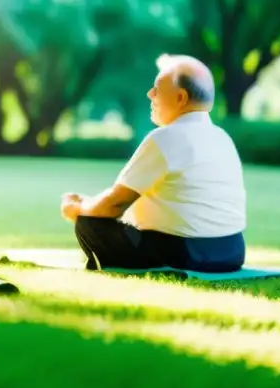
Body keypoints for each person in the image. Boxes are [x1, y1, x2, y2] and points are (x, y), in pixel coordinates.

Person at [60, 53, 247, 272]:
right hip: (232, 252)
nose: (150, 94)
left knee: (89, 224)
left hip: (186, 254)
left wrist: (79, 209)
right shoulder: (222, 138)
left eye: (157, 88)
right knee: (98, 213)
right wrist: (92, 203)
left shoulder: (165, 138)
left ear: (180, 98)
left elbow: (115, 204)